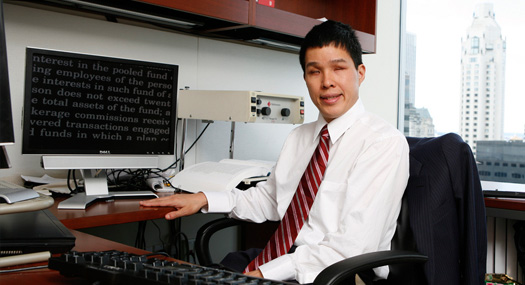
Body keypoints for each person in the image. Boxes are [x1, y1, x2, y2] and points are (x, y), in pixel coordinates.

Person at [140, 20, 409, 284]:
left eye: (338, 69)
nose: (327, 82)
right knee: (195, 275)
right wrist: (204, 199)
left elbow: (353, 246)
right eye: (315, 72)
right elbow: (269, 200)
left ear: (360, 73)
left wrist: (266, 273)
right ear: (305, 78)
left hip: (338, 273)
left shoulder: (382, 143)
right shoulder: (299, 138)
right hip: (286, 259)